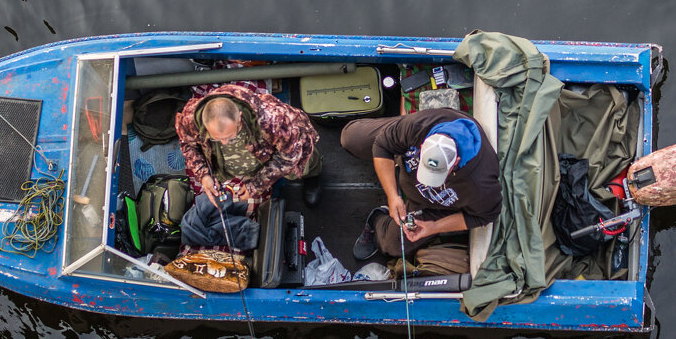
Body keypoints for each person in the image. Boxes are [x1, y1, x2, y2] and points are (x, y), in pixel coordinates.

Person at [342, 107, 501, 259]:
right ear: (423, 145)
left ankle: (377, 218)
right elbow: (383, 143)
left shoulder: (481, 184)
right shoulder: (421, 125)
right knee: (351, 137)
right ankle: (395, 169)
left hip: (429, 202)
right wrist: (392, 196)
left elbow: (485, 216)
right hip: (404, 155)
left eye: (437, 175)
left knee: (393, 245)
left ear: (455, 162)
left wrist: (434, 227)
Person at [174, 83, 323, 213]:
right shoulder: (190, 119)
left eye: (230, 136)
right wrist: (204, 175)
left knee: (303, 164)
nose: (225, 143)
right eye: (217, 139)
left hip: (278, 151)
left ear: (239, 117)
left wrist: (257, 185)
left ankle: (313, 175)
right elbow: (187, 143)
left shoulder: (271, 120)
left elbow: (289, 157)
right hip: (252, 157)